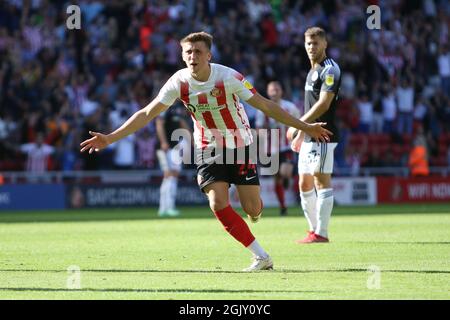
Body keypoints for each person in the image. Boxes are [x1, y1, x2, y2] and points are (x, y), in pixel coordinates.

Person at [80, 31, 331, 271]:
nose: (193, 56)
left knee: (252, 208)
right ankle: (261, 255)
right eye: (188, 52)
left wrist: (305, 126)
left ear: (209, 56)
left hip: (240, 146)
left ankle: (255, 212)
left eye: (198, 52)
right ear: (182, 56)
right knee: (217, 202)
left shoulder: (229, 77)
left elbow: (265, 105)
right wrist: (110, 138)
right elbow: (147, 113)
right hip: (208, 148)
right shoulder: (178, 82)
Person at [288, 27, 341, 244]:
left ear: (325, 44)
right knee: (304, 183)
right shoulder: (312, 71)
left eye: (316, 43)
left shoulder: (331, 69)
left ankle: (322, 232)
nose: (312, 47)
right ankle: (313, 230)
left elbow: (324, 103)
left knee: (321, 180)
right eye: (309, 43)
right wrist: (303, 133)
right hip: (310, 133)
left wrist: (299, 126)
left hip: (323, 133)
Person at [256, 81, 300, 216]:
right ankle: (283, 207)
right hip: (271, 149)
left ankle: (288, 178)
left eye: (277, 89)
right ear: (268, 92)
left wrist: (296, 137)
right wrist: (266, 128)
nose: (274, 92)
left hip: (286, 146)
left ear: (281, 91)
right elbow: (258, 130)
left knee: (285, 173)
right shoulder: (262, 109)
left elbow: (299, 123)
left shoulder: (290, 107)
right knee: (277, 178)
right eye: (272, 90)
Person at [155, 103, 190, 217]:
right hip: (166, 148)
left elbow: (183, 124)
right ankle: (167, 207)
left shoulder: (178, 108)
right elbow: (159, 124)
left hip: (174, 147)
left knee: (170, 176)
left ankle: (165, 208)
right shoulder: (164, 107)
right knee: (170, 176)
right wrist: (163, 142)